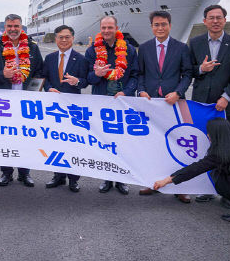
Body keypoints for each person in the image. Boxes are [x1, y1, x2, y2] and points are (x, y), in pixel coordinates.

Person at [188, 4, 230, 204]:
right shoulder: (194, 43)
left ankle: (228, 190)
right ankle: (207, 188)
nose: (215, 21)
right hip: (201, 106)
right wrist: (201, 69)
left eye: (219, 17)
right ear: (204, 21)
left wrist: (226, 97)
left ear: (224, 20)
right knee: (205, 147)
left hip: (225, 106)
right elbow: (188, 71)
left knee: (227, 148)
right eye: (211, 17)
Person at [136, 10, 193, 203]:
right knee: (152, 144)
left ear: (170, 25)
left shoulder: (182, 48)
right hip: (151, 103)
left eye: (163, 24)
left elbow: (187, 74)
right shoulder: (143, 48)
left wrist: (178, 92)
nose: (160, 28)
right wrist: (141, 91)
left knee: (177, 145)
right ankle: (151, 182)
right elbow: (140, 74)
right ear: (151, 27)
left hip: (173, 103)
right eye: (156, 25)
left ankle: (180, 186)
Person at [0, 13, 44, 187]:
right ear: (5, 28)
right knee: (6, 138)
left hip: (26, 101)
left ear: (21, 27)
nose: (13, 29)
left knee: (26, 138)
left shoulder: (32, 47)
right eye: (9, 26)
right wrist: (2, 75)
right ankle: (6, 173)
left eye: (16, 26)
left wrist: (35, 91)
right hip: (5, 102)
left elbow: (39, 72)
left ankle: (24, 173)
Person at [85, 16, 137, 195]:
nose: (106, 31)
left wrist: (126, 92)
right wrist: (97, 74)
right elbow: (88, 79)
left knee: (123, 142)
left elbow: (135, 75)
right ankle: (107, 177)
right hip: (101, 101)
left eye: (110, 27)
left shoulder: (129, 50)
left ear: (116, 28)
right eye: (103, 28)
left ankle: (122, 179)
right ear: (100, 28)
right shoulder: (92, 51)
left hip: (122, 101)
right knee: (105, 142)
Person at [43, 24, 89, 193]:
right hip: (54, 107)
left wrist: (76, 81)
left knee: (72, 143)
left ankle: (73, 179)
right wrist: (49, 88)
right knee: (56, 142)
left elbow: (86, 81)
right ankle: (58, 176)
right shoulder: (50, 58)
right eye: (60, 37)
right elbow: (44, 78)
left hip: (72, 106)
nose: (64, 40)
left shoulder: (81, 59)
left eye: (67, 37)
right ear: (56, 39)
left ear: (72, 38)